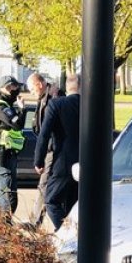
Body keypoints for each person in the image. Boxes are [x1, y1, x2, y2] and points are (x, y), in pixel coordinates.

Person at [34, 73, 80, 231]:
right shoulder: (92, 106)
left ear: (67, 87)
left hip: (64, 163)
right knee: (73, 202)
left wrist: (38, 160)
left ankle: (67, 233)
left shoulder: (57, 105)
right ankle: (74, 233)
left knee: (51, 200)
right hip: (86, 163)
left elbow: (44, 134)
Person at [27, 72, 64, 226]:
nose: (31, 93)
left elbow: (49, 129)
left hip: (54, 149)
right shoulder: (43, 98)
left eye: (32, 89)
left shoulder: (54, 97)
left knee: (45, 184)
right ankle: (36, 220)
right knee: (48, 186)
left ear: (39, 84)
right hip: (50, 148)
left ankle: (35, 222)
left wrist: (40, 158)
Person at [0, 75, 27, 217]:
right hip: (4, 152)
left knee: (7, 190)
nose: (18, 90)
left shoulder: (4, 103)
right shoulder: (0, 106)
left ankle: (1, 227)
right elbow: (17, 124)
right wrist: (22, 109)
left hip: (8, 151)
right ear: (8, 87)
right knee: (6, 191)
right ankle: (2, 227)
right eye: (16, 87)